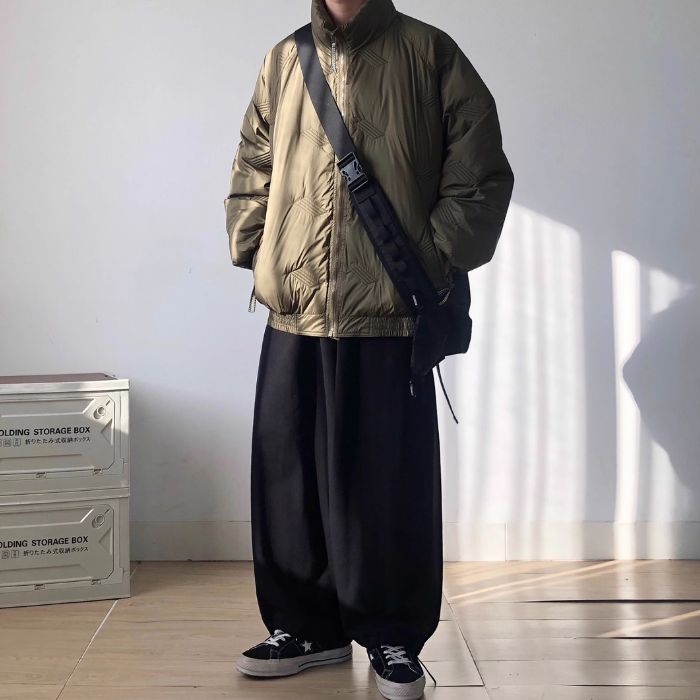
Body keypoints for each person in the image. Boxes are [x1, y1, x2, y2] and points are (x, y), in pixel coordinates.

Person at [223, 0, 514, 697]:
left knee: (389, 484)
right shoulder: (285, 58)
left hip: (387, 317)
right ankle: (306, 626)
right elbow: (254, 161)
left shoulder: (429, 53)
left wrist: (428, 261)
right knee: (288, 475)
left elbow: (480, 176)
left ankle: (392, 635)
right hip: (297, 311)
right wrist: (260, 250)